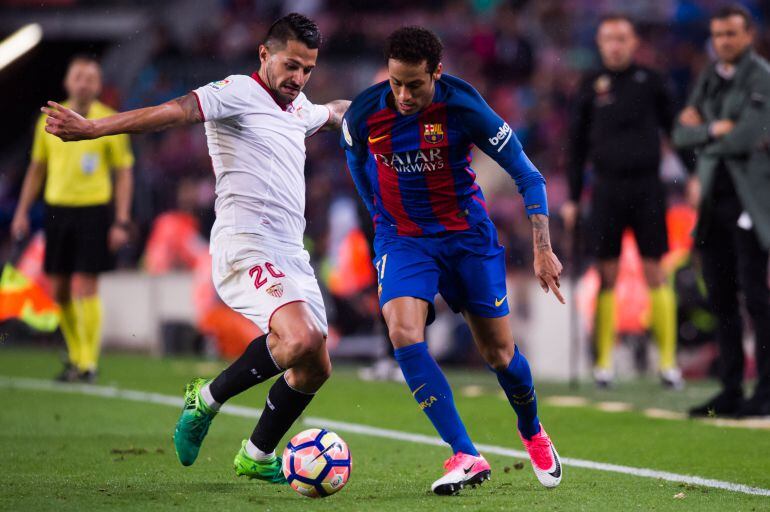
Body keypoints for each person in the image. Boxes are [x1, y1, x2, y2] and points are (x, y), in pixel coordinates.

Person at [42, 13, 350, 481]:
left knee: (316, 365)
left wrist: (389, 102)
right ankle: (205, 399)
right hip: (246, 246)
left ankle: (257, 453)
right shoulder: (235, 93)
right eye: (291, 66)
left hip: (291, 254)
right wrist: (95, 128)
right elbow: (175, 111)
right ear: (264, 54)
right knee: (300, 339)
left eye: (307, 69)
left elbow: (334, 112)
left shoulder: (299, 107)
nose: (298, 78)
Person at [342, 26, 564, 495]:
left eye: (415, 85)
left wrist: (542, 248)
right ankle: (465, 452)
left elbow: (529, 175)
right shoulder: (364, 112)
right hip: (404, 240)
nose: (403, 95)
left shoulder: (464, 105)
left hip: (466, 238)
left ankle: (532, 431)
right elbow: (358, 165)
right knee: (403, 332)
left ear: (437, 72)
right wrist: (381, 220)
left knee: (499, 355)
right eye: (396, 82)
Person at [562, 14, 681, 390]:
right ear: (599, 43)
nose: (615, 45)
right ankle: (603, 364)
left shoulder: (652, 81)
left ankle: (668, 364)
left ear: (633, 43)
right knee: (607, 273)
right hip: (607, 189)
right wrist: (572, 198)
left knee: (654, 269)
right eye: (608, 38)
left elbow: (676, 130)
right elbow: (576, 147)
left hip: (648, 187)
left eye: (622, 38)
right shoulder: (588, 85)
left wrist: (693, 177)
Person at [11, 55, 134, 383]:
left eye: (91, 77)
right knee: (60, 289)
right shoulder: (48, 120)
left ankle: (87, 362)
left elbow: (123, 174)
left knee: (87, 285)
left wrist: (121, 220)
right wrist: (22, 212)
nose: (84, 82)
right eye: (78, 76)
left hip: (94, 211)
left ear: (98, 85)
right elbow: (36, 169)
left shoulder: (109, 122)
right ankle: (77, 357)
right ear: (68, 82)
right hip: (58, 210)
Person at [673, 5, 770, 418]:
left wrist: (705, 130)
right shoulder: (711, 77)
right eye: (717, 34)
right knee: (721, 298)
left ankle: (765, 390)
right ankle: (731, 388)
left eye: (731, 34)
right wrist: (715, 128)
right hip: (714, 202)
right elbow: (681, 133)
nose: (723, 41)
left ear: (749, 35)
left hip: (751, 202)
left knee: (755, 297)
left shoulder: (762, 76)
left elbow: (748, 136)